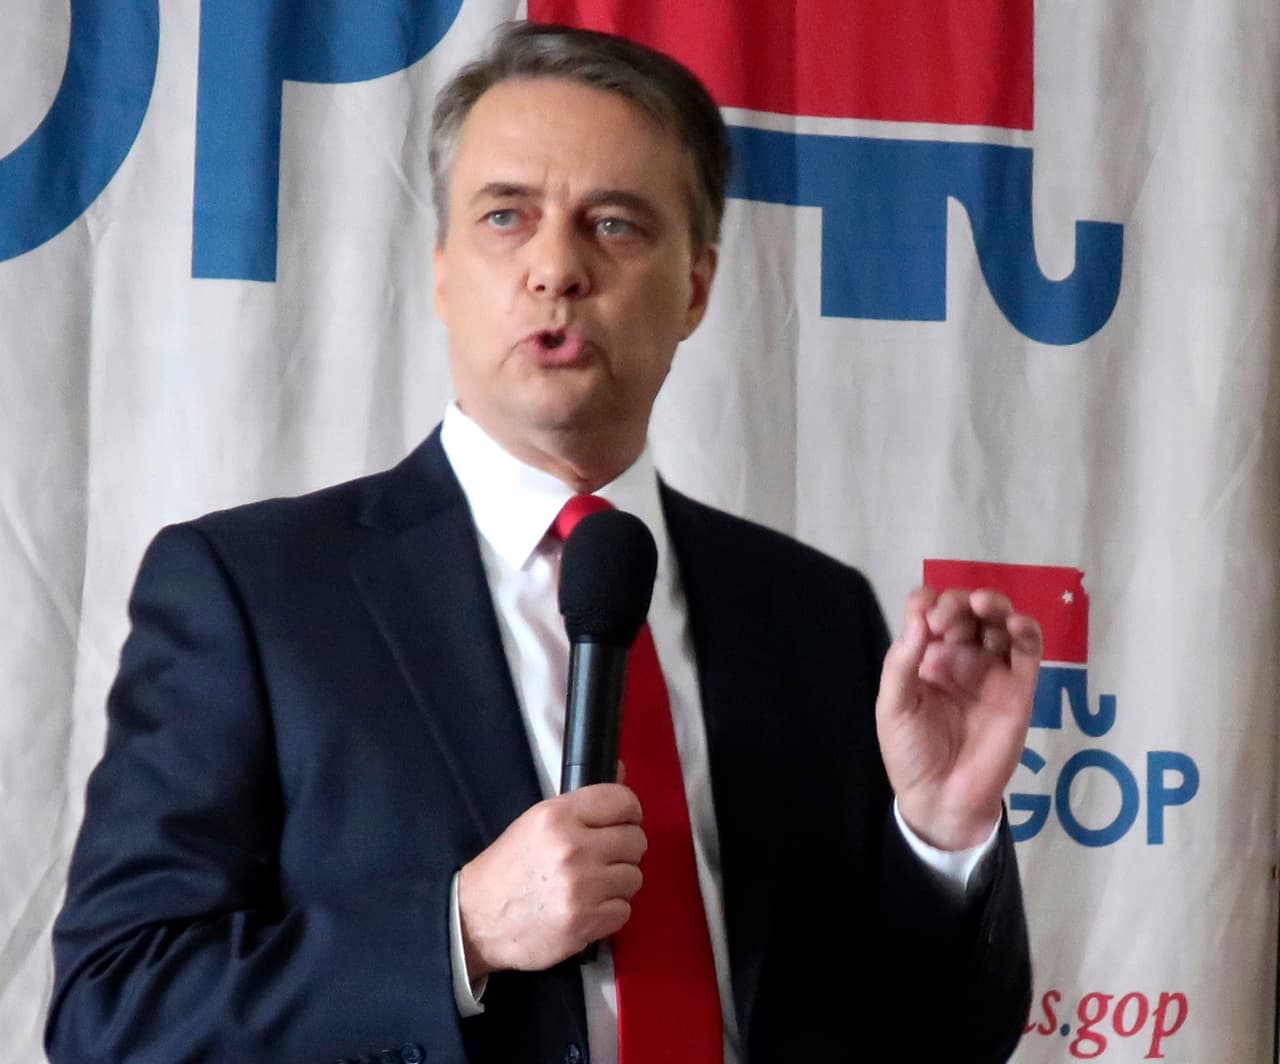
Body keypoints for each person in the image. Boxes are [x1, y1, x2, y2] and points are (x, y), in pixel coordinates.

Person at [46, 21, 1041, 1064]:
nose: (554, 268)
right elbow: (113, 1015)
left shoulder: (811, 610)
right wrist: (459, 932)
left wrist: (941, 835)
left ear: (695, 286)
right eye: (506, 216)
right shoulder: (251, 594)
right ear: (441, 272)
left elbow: (941, 1038)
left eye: (613, 224)